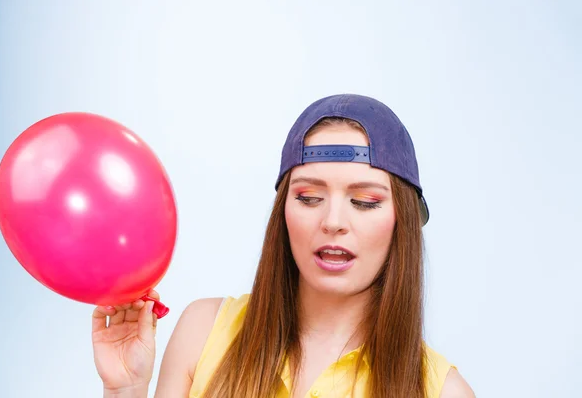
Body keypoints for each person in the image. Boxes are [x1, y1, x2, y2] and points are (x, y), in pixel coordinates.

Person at [91, 94, 476, 397]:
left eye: (364, 202)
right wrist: (124, 389)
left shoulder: (443, 392)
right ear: (283, 213)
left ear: (401, 223)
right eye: (309, 197)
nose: (333, 221)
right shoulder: (202, 332)